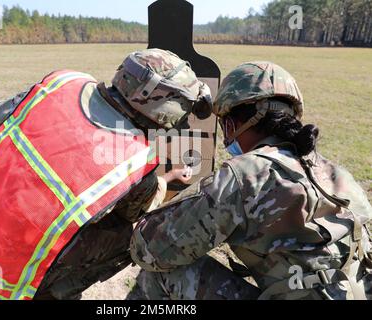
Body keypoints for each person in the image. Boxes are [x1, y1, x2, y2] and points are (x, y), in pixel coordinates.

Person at [0, 49, 212, 300]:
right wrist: (165, 179)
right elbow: (135, 211)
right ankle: (51, 291)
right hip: (13, 278)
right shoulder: (136, 159)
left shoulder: (63, 82)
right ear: (162, 106)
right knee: (135, 235)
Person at [130, 61, 372, 300]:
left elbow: (149, 250)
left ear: (232, 123)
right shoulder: (339, 175)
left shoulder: (246, 174)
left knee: (161, 274)